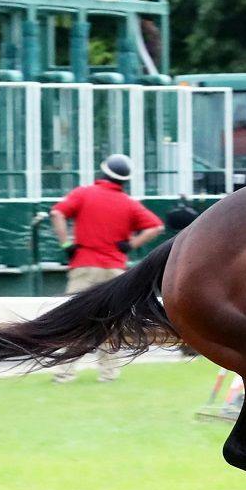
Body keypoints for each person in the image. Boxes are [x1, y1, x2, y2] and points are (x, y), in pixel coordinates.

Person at [48, 153, 164, 383]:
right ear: (125, 180)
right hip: (114, 271)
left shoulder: (83, 193)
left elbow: (57, 213)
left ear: (102, 172)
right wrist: (130, 245)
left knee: (74, 319)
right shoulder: (129, 204)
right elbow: (156, 227)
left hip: (83, 265)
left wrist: (66, 244)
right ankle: (108, 374)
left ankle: (64, 374)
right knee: (110, 322)